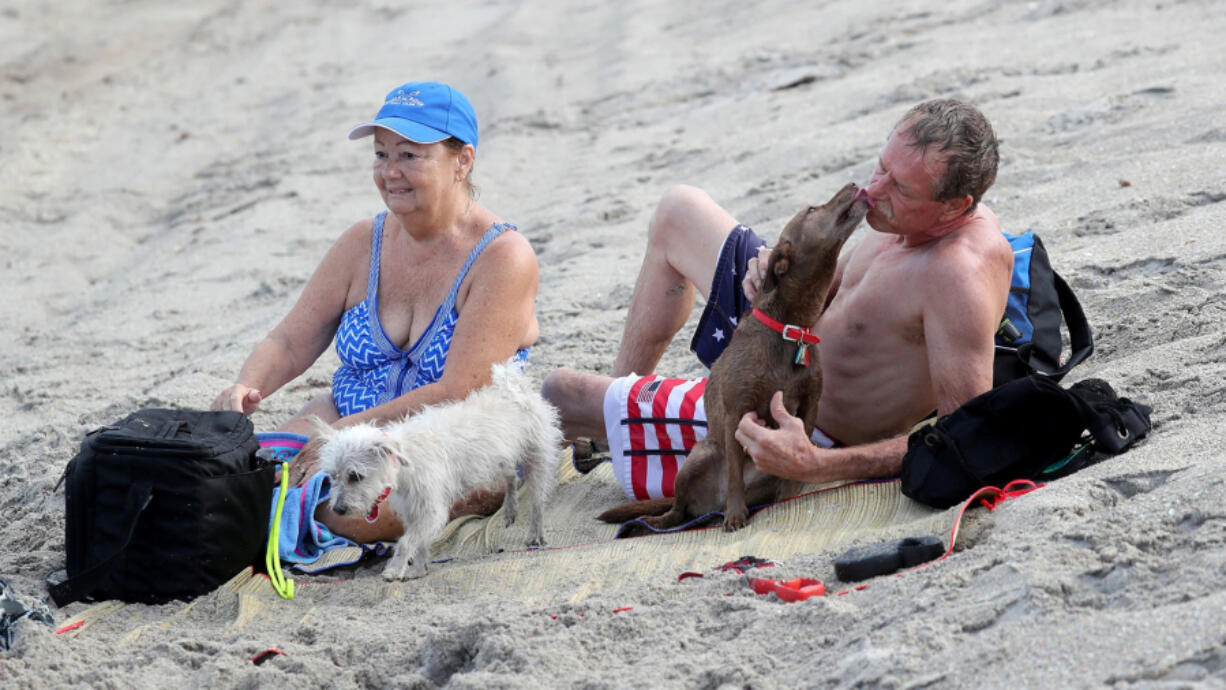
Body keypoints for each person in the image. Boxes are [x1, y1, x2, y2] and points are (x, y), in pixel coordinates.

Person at [542, 99, 1013, 495]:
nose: (872, 190)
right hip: (778, 345)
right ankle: (619, 406)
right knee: (677, 210)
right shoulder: (897, 216)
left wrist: (813, 464)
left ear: (955, 206)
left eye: (900, 188)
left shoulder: (958, 275)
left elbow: (965, 437)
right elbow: (831, 301)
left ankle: (599, 420)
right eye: (882, 166)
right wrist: (769, 281)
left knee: (561, 395)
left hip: (790, 423)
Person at [212, 81, 540, 541]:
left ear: (462, 161)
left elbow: (458, 389)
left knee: (350, 517)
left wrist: (344, 433)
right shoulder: (363, 242)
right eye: (381, 155)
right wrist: (246, 387)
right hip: (345, 423)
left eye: (409, 155)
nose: (390, 172)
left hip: (452, 447)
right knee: (244, 484)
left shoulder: (502, 257)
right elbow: (289, 342)